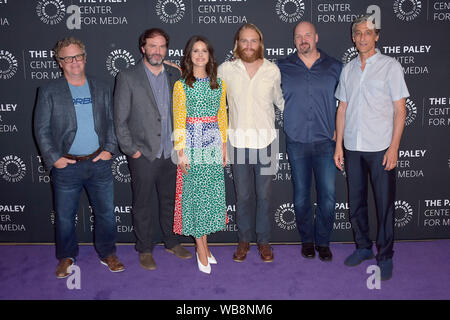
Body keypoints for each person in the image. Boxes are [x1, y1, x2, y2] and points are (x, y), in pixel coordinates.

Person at [34, 37, 124, 278]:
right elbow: (41, 129)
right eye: (67, 58)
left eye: (77, 56)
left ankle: (108, 253)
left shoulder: (103, 87)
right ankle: (66, 256)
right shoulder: (49, 91)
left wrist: (109, 149)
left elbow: (113, 122)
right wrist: (55, 158)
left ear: (84, 57)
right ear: (59, 62)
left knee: (106, 213)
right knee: (64, 217)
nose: (74, 62)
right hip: (66, 166)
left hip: (99, 163)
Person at [334, 15, 409, 280]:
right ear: (353, 38)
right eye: (358, 33)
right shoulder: (348, 69)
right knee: (356, 203)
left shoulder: (390, 66)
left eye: (368, 32)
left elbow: (400, 110)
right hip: (353, 146)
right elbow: (342, 108)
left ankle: (385, 255)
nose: (363, 37)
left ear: (376, 36)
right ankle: (364, 247)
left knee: (385, 205)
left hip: (381, 147)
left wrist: (394, 148)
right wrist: (339, 146)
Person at [114, 28, 192, 271]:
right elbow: (120, 120)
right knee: (143, 203)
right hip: (144, 154)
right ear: (143, 48)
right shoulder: (127, 76)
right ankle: (145, 248)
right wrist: (132, 151)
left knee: (170, 201)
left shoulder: (174, 75)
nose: (157, 51)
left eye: (161, 47)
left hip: (171, 152)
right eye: (152, 46)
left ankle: (171, 241)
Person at [218, 23, 284, 263]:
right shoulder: (225, 70)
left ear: (260, 43)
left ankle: (264, 241)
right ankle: (244, 240)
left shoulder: (272, 70)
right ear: (237, 44)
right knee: (243, 196)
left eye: (253, 40)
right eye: (244, 41)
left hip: (267, 143)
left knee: (264, 196)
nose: (248, 45)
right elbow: (214, 101)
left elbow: (282, 102)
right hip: (237, 143)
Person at [278, 21, 342, 261]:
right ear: (294, 40)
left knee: (328, 196)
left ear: (316, 37)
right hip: (296, 141)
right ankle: (307, 240)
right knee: (301, 196)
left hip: (326, 141)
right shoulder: (282, 67)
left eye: (307, 35)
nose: (303, 39)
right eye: (298, 36)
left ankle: (323, 242)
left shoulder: (335, 66)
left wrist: (339, 133)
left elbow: (345, 105)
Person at [173, 35, 228, 274]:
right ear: (189, 55)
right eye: (195, 50)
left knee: (208, 197)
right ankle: (201, 249)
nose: (199, 54)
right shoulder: (181, 84)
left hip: (214, 145)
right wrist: (181, 152)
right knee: (194, 198)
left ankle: (203, 246)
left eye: (204, 50)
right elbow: (179, 119)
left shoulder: (219, 83)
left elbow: (222, 117)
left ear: (209, 55)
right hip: (192, 148)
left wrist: (224, 146)